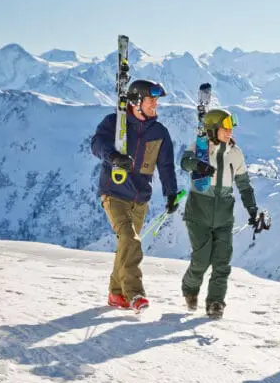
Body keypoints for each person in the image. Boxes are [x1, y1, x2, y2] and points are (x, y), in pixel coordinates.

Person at [91, 79, 179, 312]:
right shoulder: (114, 122)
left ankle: (115, 294)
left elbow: (166, 166)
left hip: (139, 199)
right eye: (151, 100)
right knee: (130, 239)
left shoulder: (159, 133)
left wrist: (171, 194)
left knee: (126, 246)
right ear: (137, 102)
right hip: (114, 193)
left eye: (157, 101)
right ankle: (135, 294)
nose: (155, 105)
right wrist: (113, 156)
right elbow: (96, 144)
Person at [179, 108, 265, 319]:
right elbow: (184, 162)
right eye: (224, 128)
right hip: (199, 211)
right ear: (212, 129)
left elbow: (244, 185)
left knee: (221, 262)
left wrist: (252, 211)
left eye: (230, 128)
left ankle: (215, 302)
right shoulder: (200, 148)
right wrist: (199, 165)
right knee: (201, 260)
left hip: (224, 214)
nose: (229, 132)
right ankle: (189, 287)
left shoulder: (235, 153)